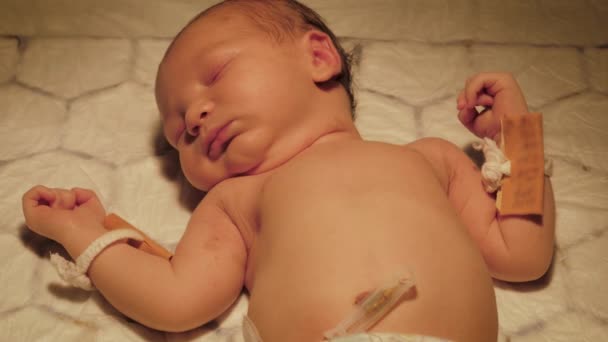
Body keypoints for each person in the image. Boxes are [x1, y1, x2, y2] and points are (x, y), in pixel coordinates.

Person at [21, 1, 555, 341]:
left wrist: (515, 134)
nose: (196, 117)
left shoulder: (430, 158)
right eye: (179, 132)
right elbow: (176, 300)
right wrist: (84, 233)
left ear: (318, 58)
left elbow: (522, 253)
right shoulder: (234, 203)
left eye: (217, 73)